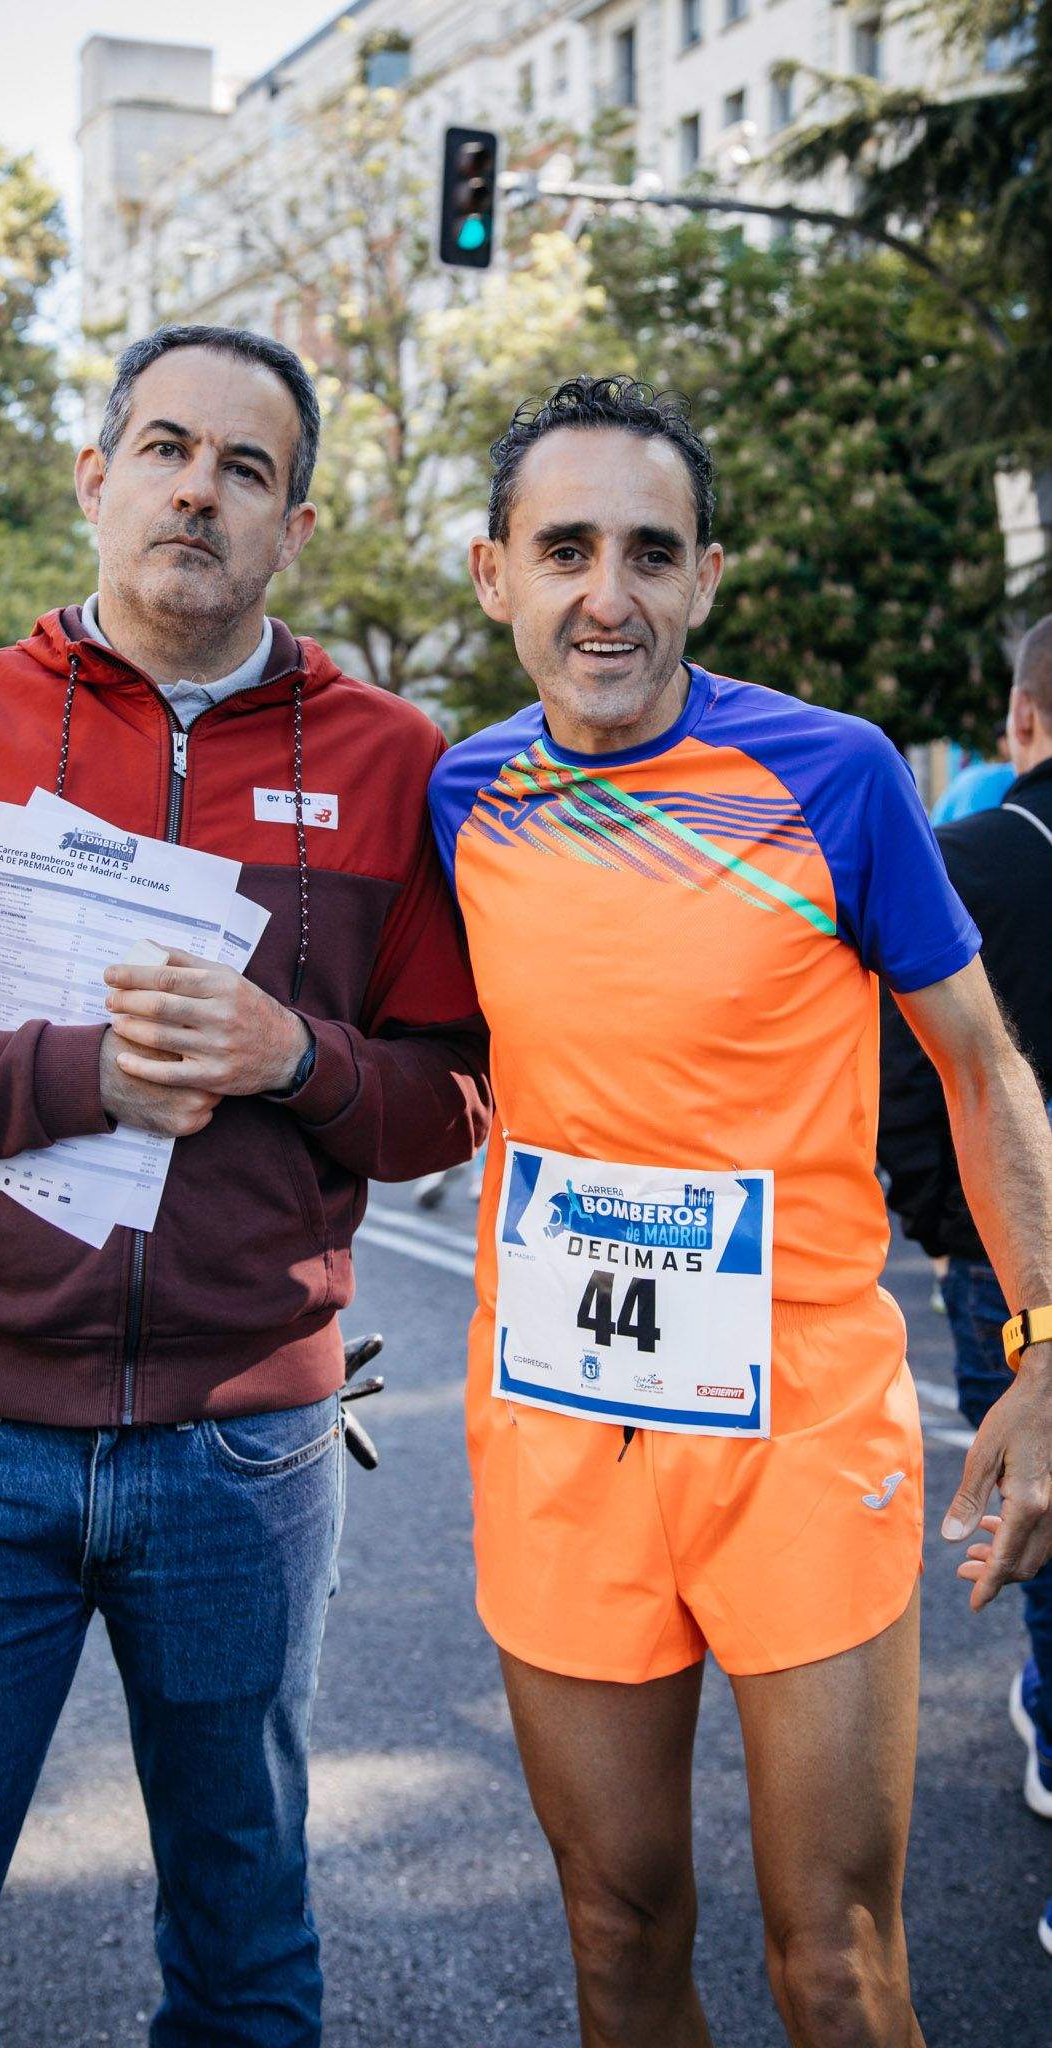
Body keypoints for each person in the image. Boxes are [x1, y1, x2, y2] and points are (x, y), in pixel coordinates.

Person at [0, 324, 489, 2047]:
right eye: (166, 449)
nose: (199, 488)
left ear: (293, 525)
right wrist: (73, 1074)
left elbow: (452, 1097)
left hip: (250, 1452)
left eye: (246, 468)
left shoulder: (398, 755)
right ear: (96, 482)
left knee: (247, 1967)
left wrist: (289, 1057)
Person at [427, 375, 1052, 2046]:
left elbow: (986, 1071)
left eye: (650, 550)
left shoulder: (835, 775)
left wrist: (1049, 1353)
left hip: (797, 1423)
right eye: (564, 549)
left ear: (707, 577)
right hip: (558, 1424)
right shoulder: (458, 796)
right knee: (617, 1926)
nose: (605, 594)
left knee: (834, 1959)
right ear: (496, 575)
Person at [879, 612, 1052, 1940]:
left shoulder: (971, 856)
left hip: (1008, 1263)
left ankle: (1048, 1717)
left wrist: (941, 1229)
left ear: (1023, 724)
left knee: (1036, 1509)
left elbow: (913, 1077)